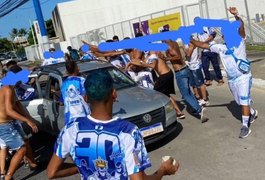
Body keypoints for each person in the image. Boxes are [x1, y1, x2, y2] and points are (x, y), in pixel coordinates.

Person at [47, 69, 179, 180]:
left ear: (85, 98)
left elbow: (52, 172)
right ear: (114, 94)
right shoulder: (128, 132)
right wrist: (163, 170)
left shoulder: (71, 129)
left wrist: (82, 167)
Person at [191, 7, 258, 138]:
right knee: (239, 102)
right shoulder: (221, 48)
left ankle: (245, 126)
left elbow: (241, 28)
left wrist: (237, 16)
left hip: (243, 76)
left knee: (244, 101)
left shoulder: (240, 42)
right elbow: (204, 46)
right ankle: (252, 112)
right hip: (232, 79)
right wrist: (191, 40)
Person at [0, 66, 38, 180]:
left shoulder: (12, 87)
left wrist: (29, 117)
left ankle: (32, 164)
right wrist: (26, 120)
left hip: (11, 123)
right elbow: (9, 110)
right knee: (22, 149)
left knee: (26, 141)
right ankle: (8, 176)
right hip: (4, 125)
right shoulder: (7, 88)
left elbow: (17, 104)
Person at [161, 30, 208, 123]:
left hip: (180, 72)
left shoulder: (169, 45)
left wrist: (166, 58)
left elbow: (178, 57)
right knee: (189, 92)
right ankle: (196, 107)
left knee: (185, 94)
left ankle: (199, 109)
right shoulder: (173, 43)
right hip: (185, 69)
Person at [130, 51, 185, 119]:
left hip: (164, 75)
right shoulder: (152, 53)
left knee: (156, 94)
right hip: (167, 73)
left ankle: (167, 112)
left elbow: (152, 66)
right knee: (166, 94)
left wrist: (143, 64)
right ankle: (179, 112)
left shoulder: (153, 54)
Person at [59, 61, 90, 125]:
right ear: (76, 68)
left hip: (70, 119)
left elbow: (61, 102)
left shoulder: (64, 84)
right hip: (83, 116)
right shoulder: (82, 80)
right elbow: (87, 98)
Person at [184, 34, 209, 106]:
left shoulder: (192, 43)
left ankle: (205, 99)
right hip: (189, 65)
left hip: (195, 65)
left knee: (200, 83)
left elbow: (188, 54)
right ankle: (198, 97)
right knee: (193, 83)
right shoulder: (186, 43)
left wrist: (184, 49)